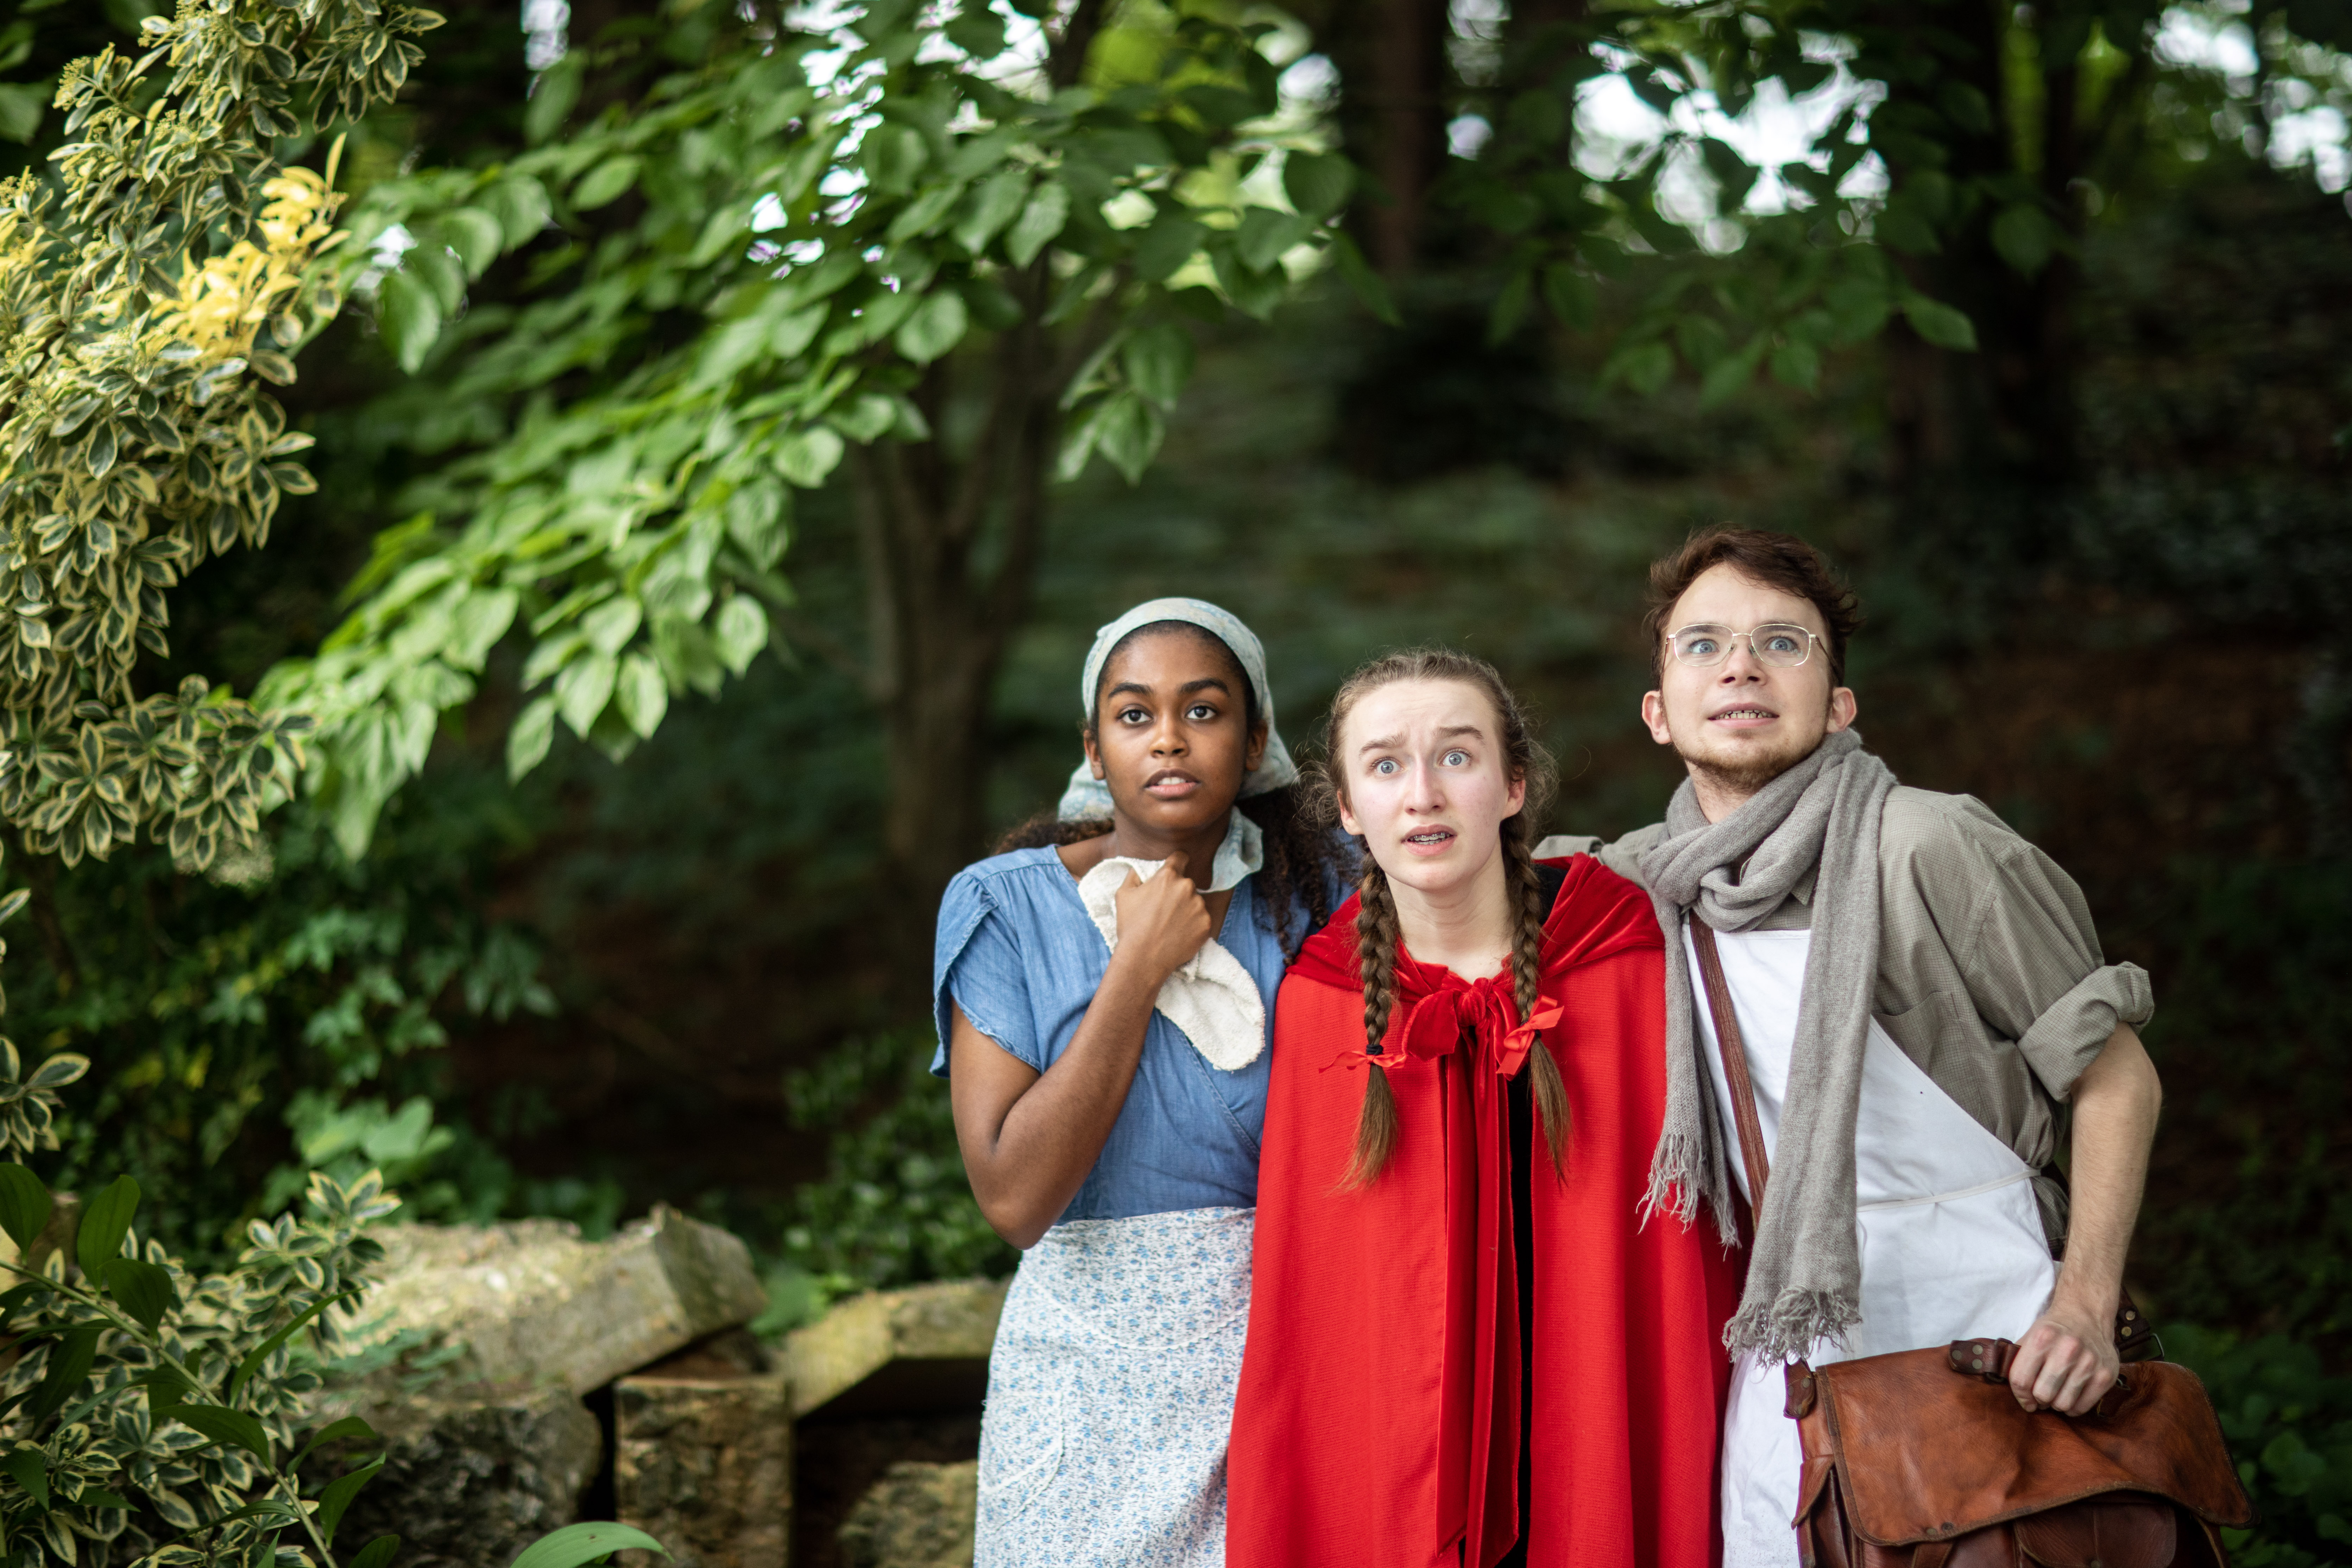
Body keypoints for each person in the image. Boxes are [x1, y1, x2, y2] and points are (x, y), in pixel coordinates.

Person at [1539, 528, 2165, 1568]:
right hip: (1783, 1334)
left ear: (1838, 704)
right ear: (1657, 713)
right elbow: (1444, 874)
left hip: (1989, 1325)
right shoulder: (1630, 892)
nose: (1739, 665)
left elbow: (2115, 1077)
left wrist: (2086, 1307)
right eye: (1702, 646)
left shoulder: (1930, 843)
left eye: (1782, 643)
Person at [1227, 648, 1738, 1568]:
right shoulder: (1324, 1000)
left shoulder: (1625, 962)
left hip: (1593, 1448)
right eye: (1384, 766)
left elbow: (1678, 1269)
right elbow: (1316, 1321)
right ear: (1347, 810)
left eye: (1455, 757)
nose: (1421, 794)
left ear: (1511, 785)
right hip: (1404, 1469)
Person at [933, 597, 1354, 1568]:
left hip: (1300, 1362)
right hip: (1090, 1384)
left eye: (1203, 712)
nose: (1168, 739)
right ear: (1093, 746)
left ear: (1255, 743)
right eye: (1134, 715)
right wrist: (1135, 969)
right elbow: (1013, 1197)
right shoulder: (1006, 907)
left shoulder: (1333, 893)